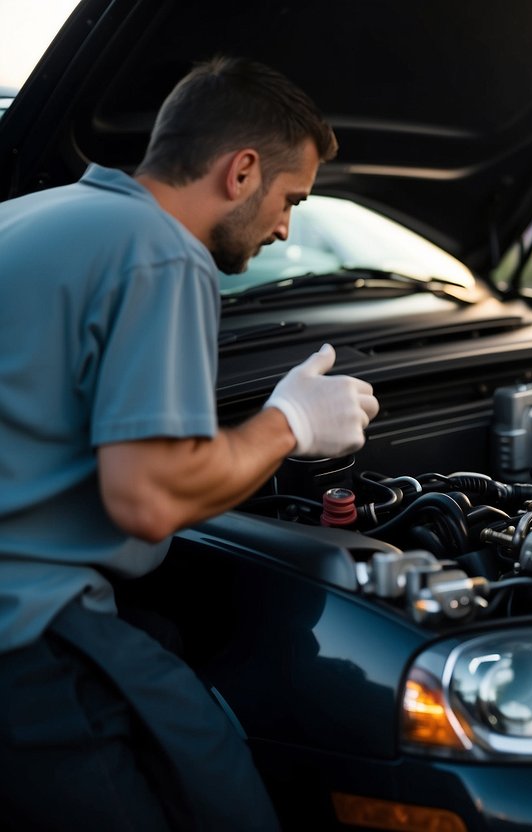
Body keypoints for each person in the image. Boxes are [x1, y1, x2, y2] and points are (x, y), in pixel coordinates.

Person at [0, 57, 380, 829]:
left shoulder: (33, 214)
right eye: (290, 199)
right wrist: (292, 425)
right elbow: (148, 498)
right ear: (241, 171)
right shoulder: (160, 249)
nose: (284, 228)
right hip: (28, 634)